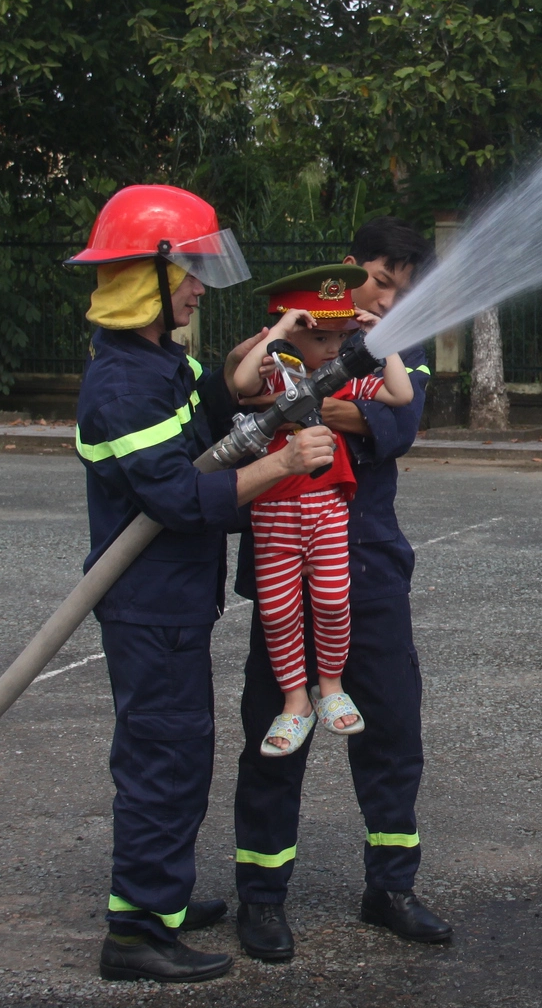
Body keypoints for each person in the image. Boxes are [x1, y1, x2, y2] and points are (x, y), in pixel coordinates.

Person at [67, 185, 336, 983]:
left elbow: (206, 410)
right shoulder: (123, 383)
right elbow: (179, 496)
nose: (195, 287)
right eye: (186, 271)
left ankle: (165, 900)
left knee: (182, 752)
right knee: (163, 758)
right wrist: (282, 463)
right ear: (147, 275)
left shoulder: (156, 362)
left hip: (173, 602)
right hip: (148, 606)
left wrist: (267, 349)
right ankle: (137, 931)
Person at [203, 216, 449, 961]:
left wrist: (304, 401)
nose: (389, 299)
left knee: (393, 727)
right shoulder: (292, 325)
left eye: (402, 291)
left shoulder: (406, 344)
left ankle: (391, 887)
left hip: (367, 566)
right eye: (379, 281)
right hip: (285, 562)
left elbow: (397, 424)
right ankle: (264, 898)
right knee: (277, 733)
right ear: (348, 272)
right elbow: (230, 402)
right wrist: (298, 381)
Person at [228, 264, 416, 756]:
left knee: (333, 602)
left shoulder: (342, 381)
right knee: (278, 611)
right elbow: (241, 382)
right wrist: (281, 329)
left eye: (342, 335)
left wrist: (382, 339)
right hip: (273, 515)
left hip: (329, 510)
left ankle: (330, 687)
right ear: (295, 334)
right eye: (324, 336)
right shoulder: (275, 380)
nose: (335, 348)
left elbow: (401, 393)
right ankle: (296, 702)